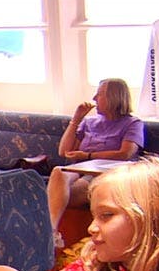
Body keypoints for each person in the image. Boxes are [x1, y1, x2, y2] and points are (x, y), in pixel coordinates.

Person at [46, 78, 144, 248]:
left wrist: (88, 155)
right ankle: (50, 232)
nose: (94, 98)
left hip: (106, 174)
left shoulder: (132, 123)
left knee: (64, 194)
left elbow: (125, 153)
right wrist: (76, 119)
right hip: (80, 169)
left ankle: (50, 234)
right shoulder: (89, 123)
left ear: (114, 97)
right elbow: (64, 151)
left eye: (99, 94)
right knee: (58, 171)